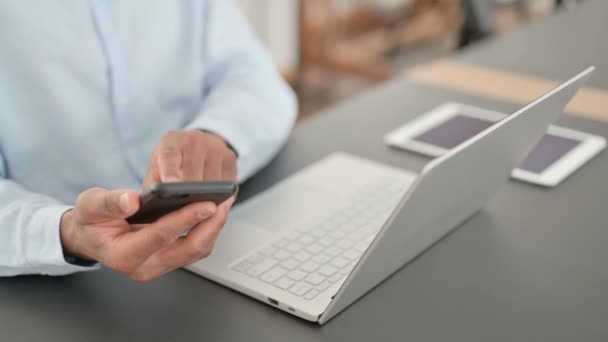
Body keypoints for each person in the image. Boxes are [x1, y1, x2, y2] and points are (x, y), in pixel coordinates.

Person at [0, 1, 296, 281]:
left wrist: (217, 135)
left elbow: (255, 76)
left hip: (218, 230)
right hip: (54, 280)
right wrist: (69, 233)